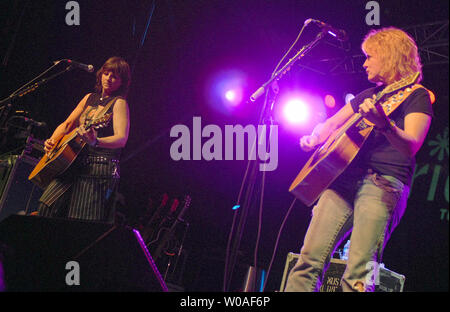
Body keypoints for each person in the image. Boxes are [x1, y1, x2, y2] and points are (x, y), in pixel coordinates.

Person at [284, 27, 433, 292]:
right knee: (308, 261)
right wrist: (315, 138)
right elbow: (329, 125)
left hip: (383, 183)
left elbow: (412, 144)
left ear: (389, 56)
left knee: (359, 274)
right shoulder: (367, 96)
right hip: (343, 180)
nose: (364, 63)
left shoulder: (417, 95)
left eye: (369, 56)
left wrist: (385, 125)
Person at [37, 56, 131, 224]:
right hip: (74, 162)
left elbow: (121, 139)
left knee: (79, 221)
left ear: (121, 82)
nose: (108, 78)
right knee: (46, 205)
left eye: (114, 76)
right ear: (100, 74)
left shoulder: (119, 103)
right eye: (106, 73)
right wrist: (52, 140)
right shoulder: (89, 98)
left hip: (98, 169)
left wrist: (96, 141)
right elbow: (67, 125)